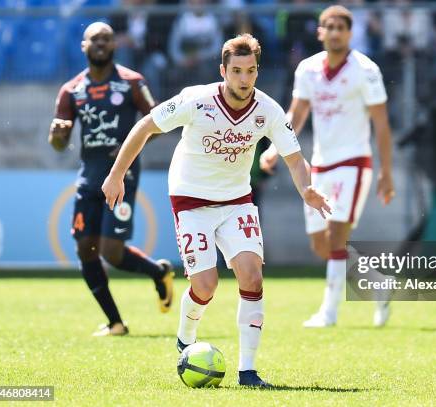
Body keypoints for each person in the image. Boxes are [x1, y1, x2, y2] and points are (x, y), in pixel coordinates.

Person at [101, 33, 330, 387]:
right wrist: (116, 174)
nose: (243, 79)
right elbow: (145, 126)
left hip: (237, 200)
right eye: (236, 71)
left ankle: (249, 372)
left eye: (250, 71)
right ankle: (186, 337)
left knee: (252, 277)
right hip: (190, 199)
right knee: (205, 287)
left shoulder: (268, 110)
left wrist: (307, 189)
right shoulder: (196, 100)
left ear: (257, 71)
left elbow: (296, 159)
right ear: (223, 70)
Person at [260, 5, 395, 328]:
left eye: (341, 27)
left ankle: (329, 312)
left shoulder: (365, 69)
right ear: (320, 32)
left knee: (337, 236)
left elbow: (382, 123)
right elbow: (296, 114)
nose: (334, 32)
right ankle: (379, 283)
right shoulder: (307, 69)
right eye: (329, 27)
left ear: (350, 33)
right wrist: (273, 148)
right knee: (321, 245)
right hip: (319, 164)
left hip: (354, 162)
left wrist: (386, 172)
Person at [49, 22, 174, 337]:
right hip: (88, 178)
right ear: (84, 46)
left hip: (123, 175)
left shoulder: (132, 83)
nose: (101, 43)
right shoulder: (71, 90)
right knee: (84, 249)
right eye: (95, 39)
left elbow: (159, 121)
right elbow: (59, 143)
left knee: (112, 251)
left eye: (106, 39)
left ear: (115, 45)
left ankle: (158, 272)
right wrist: (58, 136)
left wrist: (130, 145)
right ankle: (116, 323)